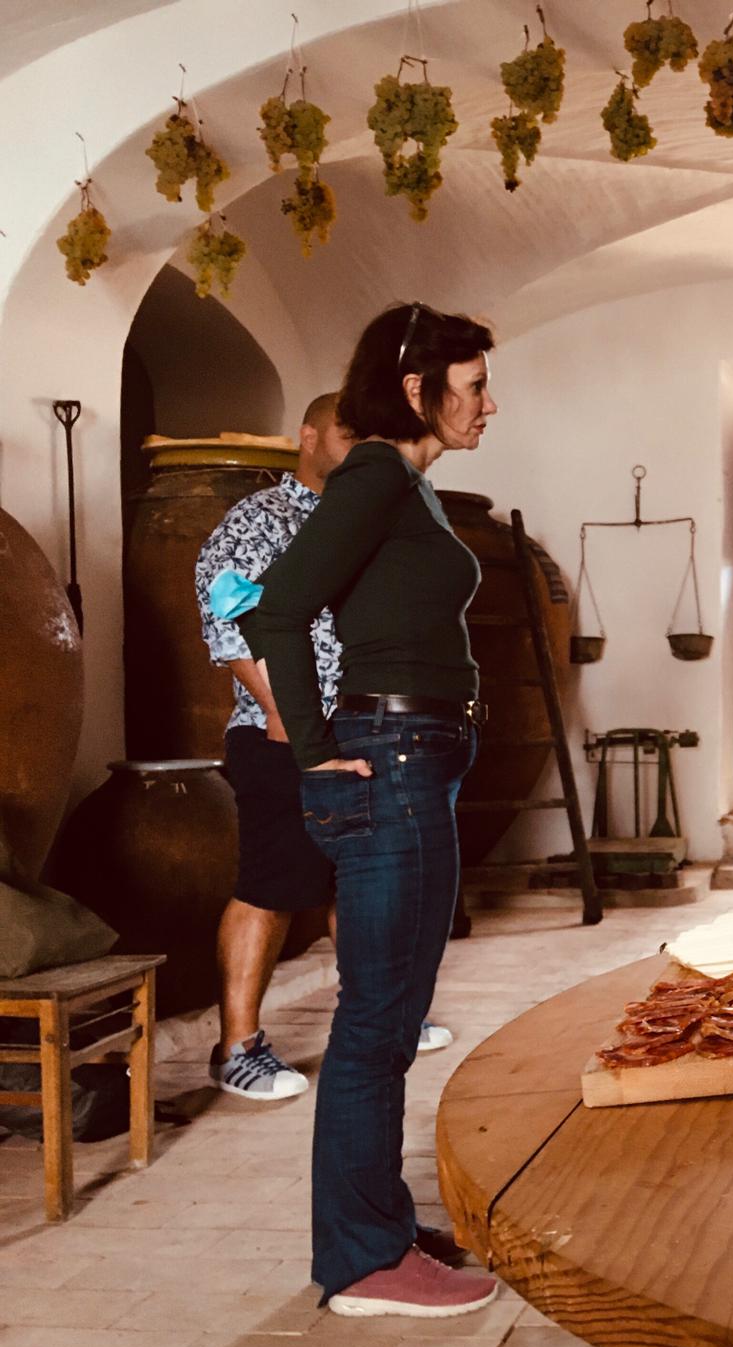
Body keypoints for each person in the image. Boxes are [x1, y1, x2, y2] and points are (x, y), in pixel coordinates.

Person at [237, 302, 497, 1318]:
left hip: (413, 757)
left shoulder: (407, 488)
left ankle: (376, 1227)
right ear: (414, 389)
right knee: (378, 1020)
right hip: (385, 760)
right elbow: (275, 606)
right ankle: (363, 1264)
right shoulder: (379, 473)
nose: (487, 404)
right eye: (473, 385)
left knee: (387, 1013)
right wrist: (312, 752)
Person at [195, 394, 454, 1103]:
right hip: (282, 733)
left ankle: (375, 1013)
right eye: (346, 432)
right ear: (306, 437)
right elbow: (230, 625)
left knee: (361, 880)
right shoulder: (256, 521)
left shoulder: (370, 513)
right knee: (271, 886)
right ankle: (237, 1047)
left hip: (367, 727)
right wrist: (288, 718)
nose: (360, 445)